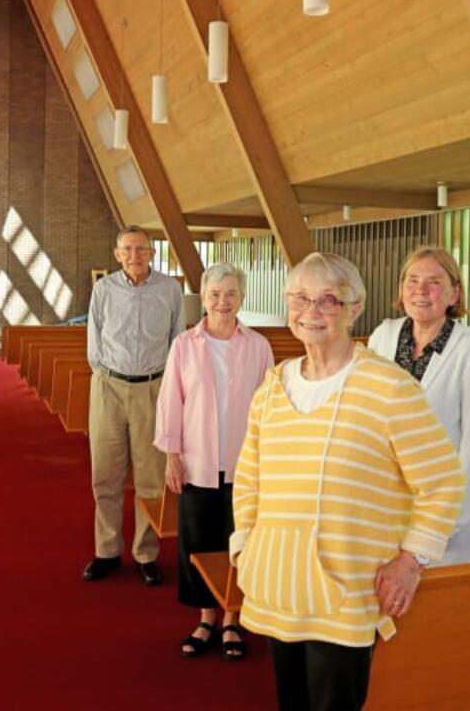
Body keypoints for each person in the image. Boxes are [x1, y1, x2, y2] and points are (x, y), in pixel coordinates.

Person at [231, 252, 466, 711]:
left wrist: (411, 561)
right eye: (300, 298)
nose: (311, 311)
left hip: (348, 588)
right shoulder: (272, 388)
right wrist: (246, 544)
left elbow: (442, 482)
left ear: (355, 308)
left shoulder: (389, 389)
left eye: (328, 301)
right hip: (281, 582)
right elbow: (249, 477)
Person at [154, 263, 274, 660]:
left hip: (245, 464)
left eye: (230, 294)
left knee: (238, 542)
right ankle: (206, 617)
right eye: (214, 295)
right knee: (199, 540)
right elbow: (171, 400)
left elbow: (268, 407)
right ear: (203, 299)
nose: (222, 302)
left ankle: (233, 619)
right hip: (197, 462)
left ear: (242, 298)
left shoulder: (258, 346)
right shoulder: (184, 345)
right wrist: (172, 455)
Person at [367, 246, 470, 565]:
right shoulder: (382, 338)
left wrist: (445, 522)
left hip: (448, 513)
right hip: (387, 504)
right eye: (412, 280)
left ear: (454, 294)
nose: (421, 290)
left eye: (434, 282)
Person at [83, 225, 184, 586]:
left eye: (142, 249)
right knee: (106, 474)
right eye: (128, 249)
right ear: (117, 254)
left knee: (151, 477)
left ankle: (146, 553)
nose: (135, 256)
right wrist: (106, 375)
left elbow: (177, 339)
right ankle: (106, 550)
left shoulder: (170, 290)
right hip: (108, 386)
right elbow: (94, 338)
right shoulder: (103, 289)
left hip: (153, 390)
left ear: (153, 254)